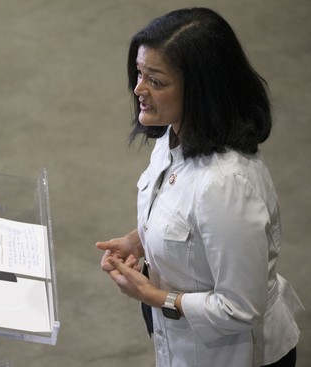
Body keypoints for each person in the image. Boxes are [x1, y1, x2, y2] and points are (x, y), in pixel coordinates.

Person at [96, 7, 304, 367]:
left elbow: (241, 309)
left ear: (201, 90)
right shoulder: (174, 133)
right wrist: (140, 238)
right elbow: (183, 214)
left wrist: (156, 296)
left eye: (156, 81)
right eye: (139, 73)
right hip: (184, 344)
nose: (138, 89)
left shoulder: (226, 186)